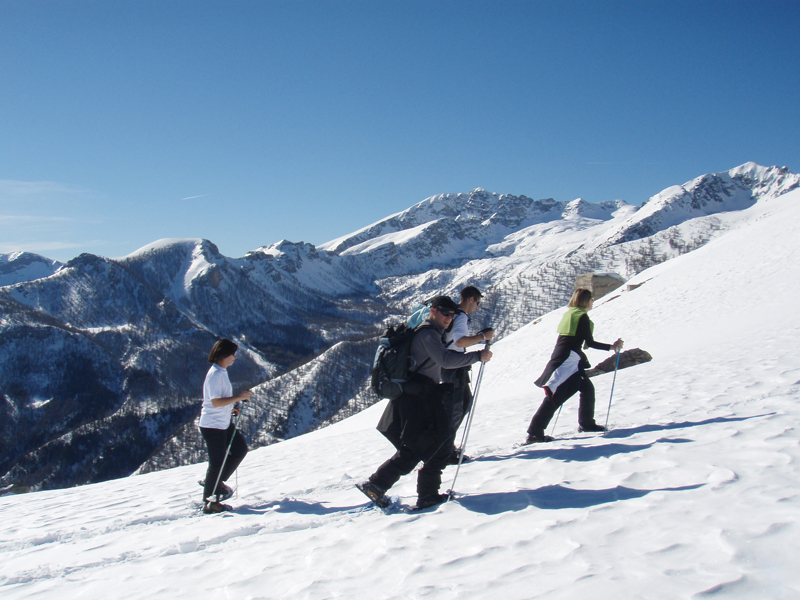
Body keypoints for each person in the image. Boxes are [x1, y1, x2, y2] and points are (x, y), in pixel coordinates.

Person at [358, 296, 493, 510]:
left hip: (416, 394)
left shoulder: (428, 331)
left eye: (452, 314)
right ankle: (425, 495)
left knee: (417, 446)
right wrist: (477, 356)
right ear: (433, 311)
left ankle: (379, 485)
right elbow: (446, 360)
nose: (449, 317)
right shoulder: (428, 333)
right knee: (440, 442)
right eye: (444, 313)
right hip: (420, 395)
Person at [524, 289, 623, 444]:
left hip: (566, 357)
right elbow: (589, 343)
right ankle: (535, 433)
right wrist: (613, 347)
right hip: (568, 360)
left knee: (586, 388)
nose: (593, 301)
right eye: (591, 299)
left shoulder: (571, 313)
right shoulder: (581, 316)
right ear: (585, 300)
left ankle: (587, 423)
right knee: (555, 396)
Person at [441, 286, 494, 464]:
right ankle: (445, 451)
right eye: (477, 303)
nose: (477, 307)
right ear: (471, 299)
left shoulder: (452, 313)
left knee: (461, 403)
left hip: (448, 364)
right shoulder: (461, 316)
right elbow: (460, 341)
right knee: (456, 408)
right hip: (454, 366)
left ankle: (447, 447)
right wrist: (482, 336)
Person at [199, 338, 252, 513]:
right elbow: (214, 402)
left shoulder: (221, 371)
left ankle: (215, 484)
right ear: (223, 355)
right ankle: (211, 503)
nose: (235, 357)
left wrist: (231, 408)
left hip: (221, 423)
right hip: (213, 425)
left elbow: (219, 401)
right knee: (217, 463)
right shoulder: (215, 374)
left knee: (239, 450)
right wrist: (238, 398)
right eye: (233, 354)